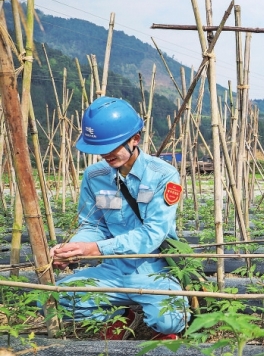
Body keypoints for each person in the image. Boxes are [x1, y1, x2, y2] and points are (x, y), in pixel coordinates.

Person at [50, 97, 188, 340]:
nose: (105, 154)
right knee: (54, 298)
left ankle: (158, 325)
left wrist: (95, 249)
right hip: (112, 268)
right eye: (100, 148)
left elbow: (152, 234)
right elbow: (93, 224)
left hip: (154, 269)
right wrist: (74, 248)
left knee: (169, 321)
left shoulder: (163, 175)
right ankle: (121, 317)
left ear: (135, 139)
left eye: (111, 146)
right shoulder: (94, 176)